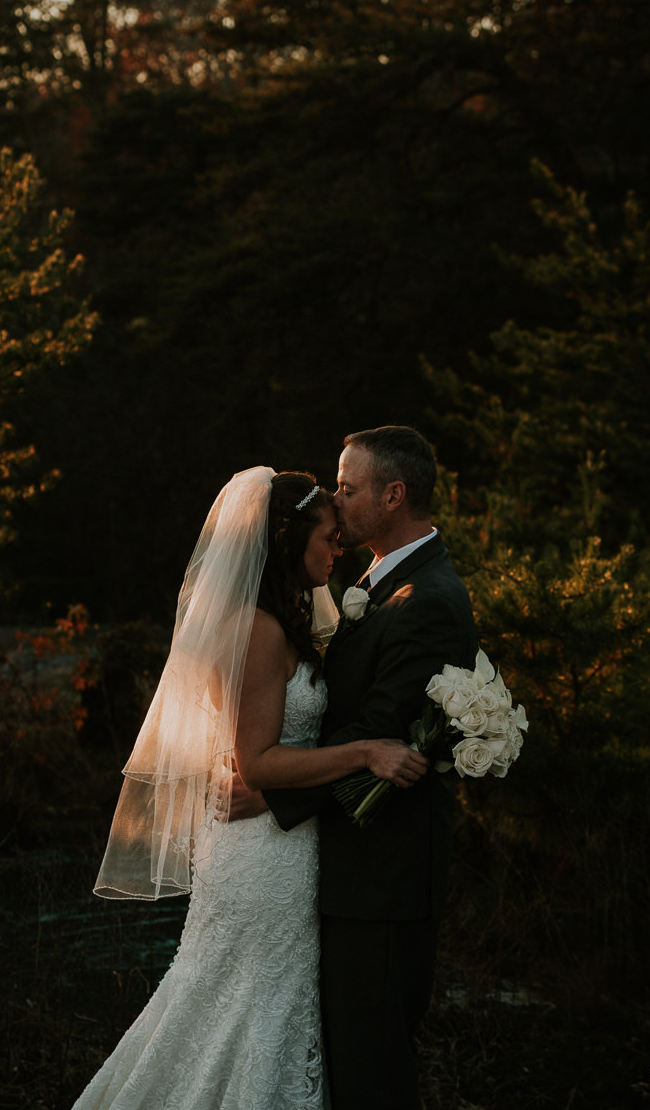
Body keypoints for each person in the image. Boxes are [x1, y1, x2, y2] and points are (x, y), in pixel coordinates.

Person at [71, 466, 426, 1110]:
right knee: (248, 1000)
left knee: (239, 1000)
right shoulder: (257, 630)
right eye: (327, 537)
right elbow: (257, 763)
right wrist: (368, 751)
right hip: (264, 855)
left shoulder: (276, 620)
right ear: (287, 541)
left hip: (272, 838)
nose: (335, 548)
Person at [263, 427, 478, 1110]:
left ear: (394, 494)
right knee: (348, 1059)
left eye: (348, 487)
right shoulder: (373, 583)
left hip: (383, 878)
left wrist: (269, 791)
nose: (335, 497)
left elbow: (379, 731)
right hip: (351, 868)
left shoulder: (431, 600)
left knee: (371, 1069)